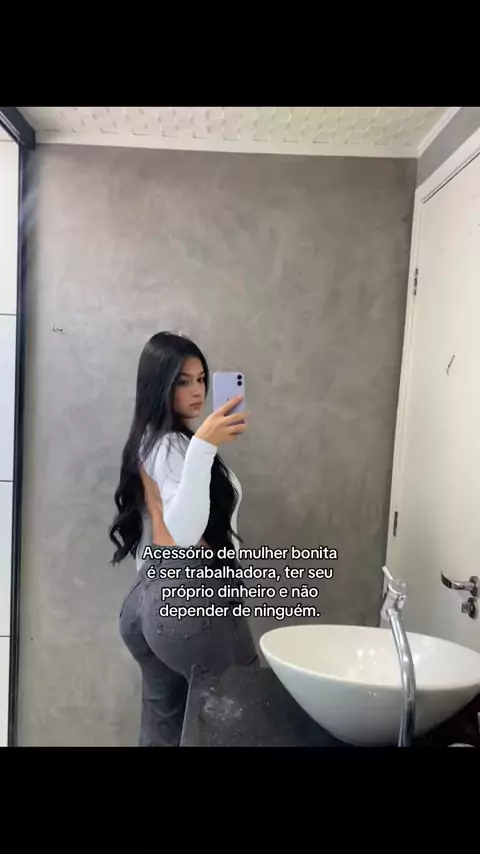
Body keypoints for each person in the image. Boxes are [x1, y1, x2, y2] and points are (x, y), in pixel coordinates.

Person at [110, 331, 258, 746]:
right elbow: (185, 532)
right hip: (191, 595)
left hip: (147, 597)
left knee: (163, 727)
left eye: (201, 379)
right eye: (182, 381)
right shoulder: (177, 445)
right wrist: (204, 448)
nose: (197, 392)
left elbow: (157, 532)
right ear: (159, 385)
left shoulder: (147, 439)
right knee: (241, 717)